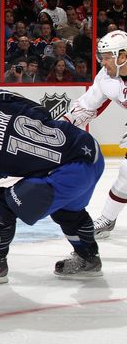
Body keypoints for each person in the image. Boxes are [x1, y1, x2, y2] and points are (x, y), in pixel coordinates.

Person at [0, 90, 104, 283]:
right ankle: (88, 258)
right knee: (66, 210)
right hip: (89, 150)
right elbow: (42, 111)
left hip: (70, 174)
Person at [63, 30, 127, 238]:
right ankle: (108, 219)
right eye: (102, 57)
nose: (103, 63)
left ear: (123, 56)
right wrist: (63, 125)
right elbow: (88, 105)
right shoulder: (106, 78)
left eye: (107, 57)